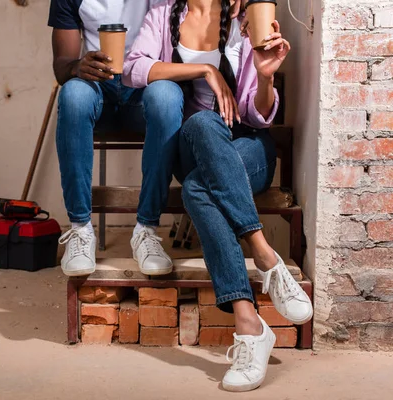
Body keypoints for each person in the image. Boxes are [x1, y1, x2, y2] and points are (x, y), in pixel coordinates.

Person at [123, 0, 313, 392]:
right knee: (200, 124)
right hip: (193, 149)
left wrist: (264, 78)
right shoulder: (162, 15)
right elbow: (133, 68)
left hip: (247, 151)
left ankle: (249, 324)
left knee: (196, 189)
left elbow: (258, 115)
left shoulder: (246, 23)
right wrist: (204, 69)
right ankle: (264, 256)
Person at [48, 0, 244, 277]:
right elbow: (61, 66)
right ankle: (80, 229)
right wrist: (77, 66)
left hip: (146, 87)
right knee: (73, 94)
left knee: (167, 95)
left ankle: (147, 230)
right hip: (97, 90)